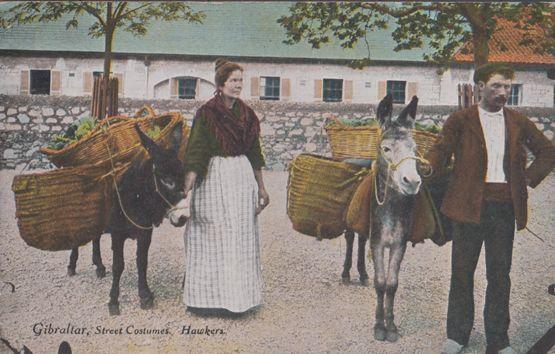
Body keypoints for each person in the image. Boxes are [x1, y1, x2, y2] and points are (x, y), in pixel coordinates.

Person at [423, 63, 555, 354]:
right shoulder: (460, 120)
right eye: (496, 85)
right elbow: (441, 150)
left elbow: (548, 151)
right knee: (461, 273)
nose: (503, 92)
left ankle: (498, 341)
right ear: (479, 86)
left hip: (503, 209)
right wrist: (428, 166)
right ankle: (457, 337)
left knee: (499, 275)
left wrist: (527, 181)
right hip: (467, 207)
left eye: (508, 86)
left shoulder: (518, 122)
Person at [181, 58, 270, 314]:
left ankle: (239, 301)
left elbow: (255, 153)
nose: (238, 85)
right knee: (209, 235)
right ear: (220, 84)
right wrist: (187, 189)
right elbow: (196, 152)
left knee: (239, 237)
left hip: (241, 179)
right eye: (233, 81)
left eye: (241, 81)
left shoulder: (248, 115)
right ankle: (205, 301)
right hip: (213, 178)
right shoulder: (206, 114)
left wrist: (261, 187)